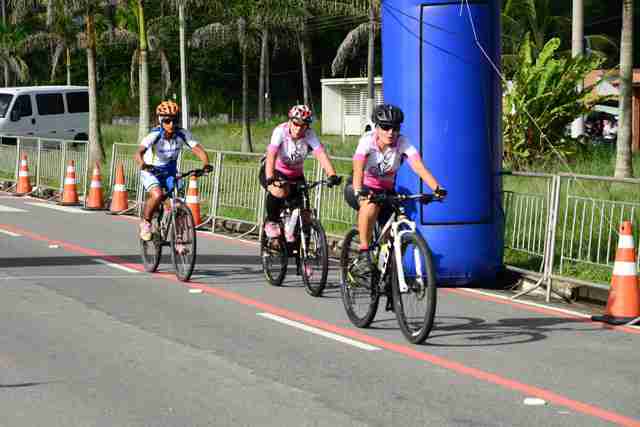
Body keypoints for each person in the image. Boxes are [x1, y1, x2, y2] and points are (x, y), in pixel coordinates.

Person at [344, 103, 447, 275]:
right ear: (377, 127)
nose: (391, 132)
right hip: (361, 186)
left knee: (398, 225)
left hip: (386, 190)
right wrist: (358, 191)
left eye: (395, 127)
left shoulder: (402, 143)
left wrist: (437, 187)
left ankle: (387, 274)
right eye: (385, 127)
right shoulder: (367, 141)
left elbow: (418, 166)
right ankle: (363, 251)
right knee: (370, 206)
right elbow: (358, 168)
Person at [260, 104, 342, 240]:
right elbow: (271, 155)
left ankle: (296, 237)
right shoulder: (280, 131)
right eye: (296, 124)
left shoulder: (309, 135)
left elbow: (321, 154)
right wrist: (270, 177)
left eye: (303, 125)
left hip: (295, 175)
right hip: (274, 170)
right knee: (279, 191)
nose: (298, 128)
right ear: (290, 121)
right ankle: (272, 221)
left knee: (304, 213)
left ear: (307, 126)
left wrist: (332, 174)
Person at [135, 100, 212, 241]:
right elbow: (139, 152)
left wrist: (206, 164)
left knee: (178, 203)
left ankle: (179, 239)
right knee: (157, 195)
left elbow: (198, 149)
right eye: (167, 121)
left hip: (170, 171)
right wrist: (142, 163)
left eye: (174, 120)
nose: (171, 124)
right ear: (161, 121)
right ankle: (145, 222)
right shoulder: (155, 135)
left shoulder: (182, 134)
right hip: (151, 170)